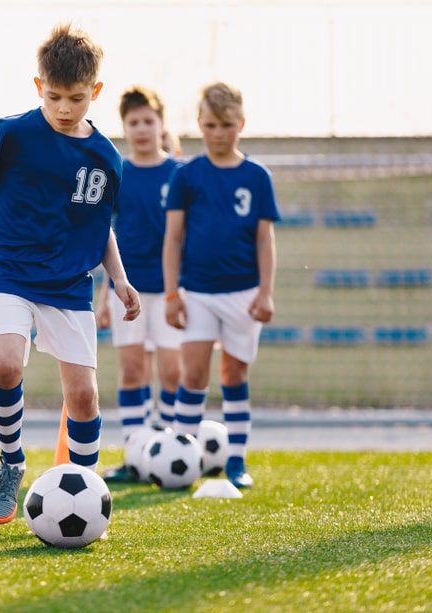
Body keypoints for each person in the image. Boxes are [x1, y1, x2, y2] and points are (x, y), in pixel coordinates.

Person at [0, 23, 140, 524]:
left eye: (76, 98)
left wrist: (118, 278)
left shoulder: (106, 158)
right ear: (38, 88)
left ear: (95, 91)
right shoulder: (13, 134)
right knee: (6, 365)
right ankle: (11, 461)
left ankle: (87, 494)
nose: (65, 108)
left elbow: (100, 227)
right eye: (54, 97)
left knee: (84, 397)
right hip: (8, 271)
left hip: (69, 284)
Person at [162, 81, 279, 489]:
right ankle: (183, 455)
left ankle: (236, 461)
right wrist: (173, 293)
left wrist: (265, 292)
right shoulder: (187, 176)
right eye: (210, 124)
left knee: (234, 374)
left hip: (244, 294)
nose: (218, 133)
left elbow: (265, 240)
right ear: (199, 124)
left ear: (241, 124)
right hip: (196, 292)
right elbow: (173, 239)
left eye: (227, 124)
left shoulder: (257, 177)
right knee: (192, 375)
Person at [94, 86, 182, 483]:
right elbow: (104, 236)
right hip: (126, 290)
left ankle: (167, 450)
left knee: (172, 372)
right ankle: (134, 455)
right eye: (134, 122)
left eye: (149, 121)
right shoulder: (118, 172)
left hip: (170, 292)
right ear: (125, 127)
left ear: (161, 125)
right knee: (132, 373)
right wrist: (103, 294)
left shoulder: (179, 174)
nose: (142, 128)